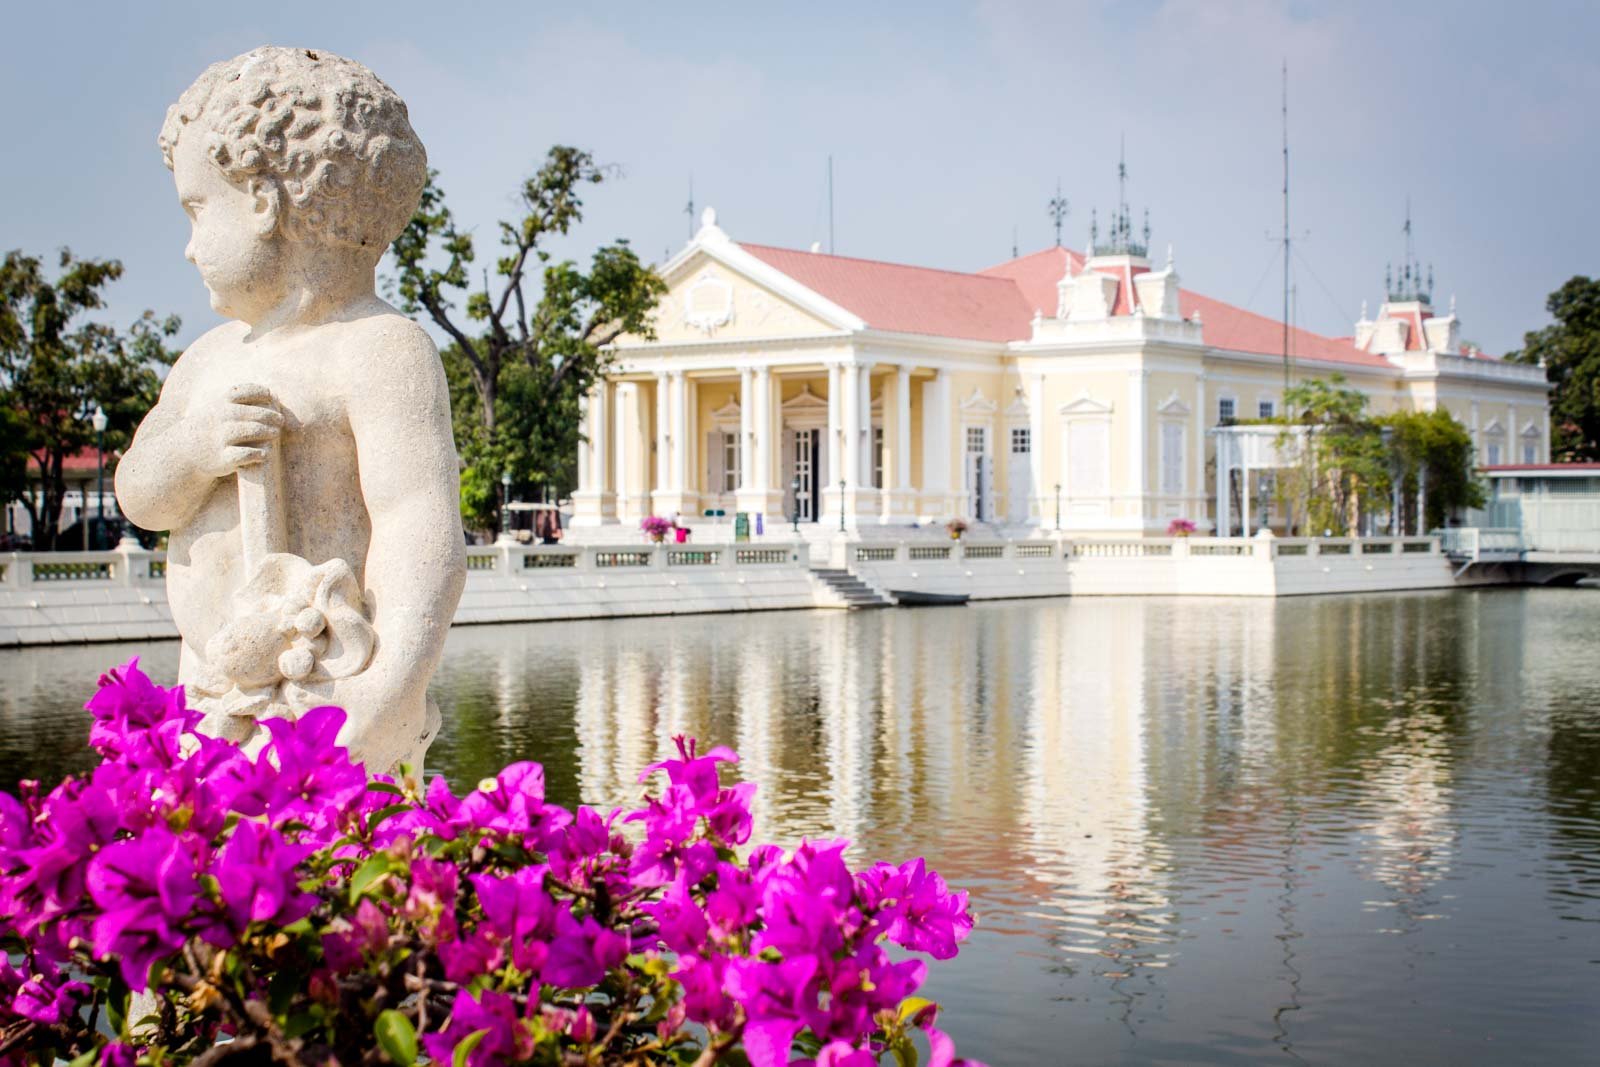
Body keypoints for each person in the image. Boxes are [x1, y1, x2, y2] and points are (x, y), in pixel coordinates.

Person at [116, 48, 465, 773]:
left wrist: (392, 684)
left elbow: (418, 530)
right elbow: (140, 496)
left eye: (196, 209)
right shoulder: (208, 361)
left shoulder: (378, 350)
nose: (186, 248)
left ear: (263, 200)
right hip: (210, 693)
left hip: (331, 687)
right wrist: (194, 448)